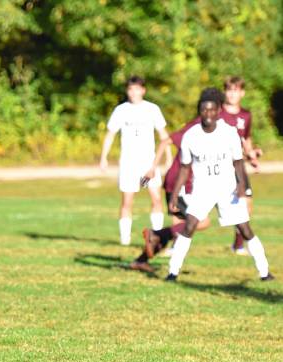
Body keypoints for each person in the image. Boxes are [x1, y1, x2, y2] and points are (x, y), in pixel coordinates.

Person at [165, 87, 273, 282]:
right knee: (189, 226)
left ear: (218, 111)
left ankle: (265, 272)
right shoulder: (191, 136)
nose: (208, 114)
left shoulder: (228, 133)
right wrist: (174, 194)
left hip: (227, 188)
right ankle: (173, 271)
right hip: (202, 190)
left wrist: (241, 185)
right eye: (204, 110)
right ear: (199, 111)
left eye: (212, 110)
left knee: (244, 228)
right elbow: (184, 168)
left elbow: (238, 162)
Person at [129, 113, 212, 271]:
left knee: (179, 228)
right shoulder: (196, 126)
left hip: (183, 183)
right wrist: (153, 167)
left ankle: (141, 260)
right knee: (201, 221)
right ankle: (157, 234)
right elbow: (167, 140)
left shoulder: (217, 128)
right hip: (180, 182)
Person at [100, 76, 171, 245]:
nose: (134, 92)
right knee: (127, 201)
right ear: (127, 91)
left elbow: (163, 136)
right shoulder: (121, 110)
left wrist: (169, 157)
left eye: (137, 88)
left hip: (148, 163)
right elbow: (110, 134)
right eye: (130, 89)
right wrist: (103, 157)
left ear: (143, 90)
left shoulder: (152, 109)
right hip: (129, 163)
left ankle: (157, 236)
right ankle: (125, 239)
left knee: (156, 198)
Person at [220, 76, 263, 255]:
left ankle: (237, 245)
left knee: (246, 205)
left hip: (238, 167)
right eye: (229, 90)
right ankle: (177, 240)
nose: (232, 93)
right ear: (225, 92)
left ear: (242, 93)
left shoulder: (246, 115)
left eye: (236, 90)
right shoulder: (216, 113)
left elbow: (245, 139)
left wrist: (252, 155)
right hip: (220, 166)